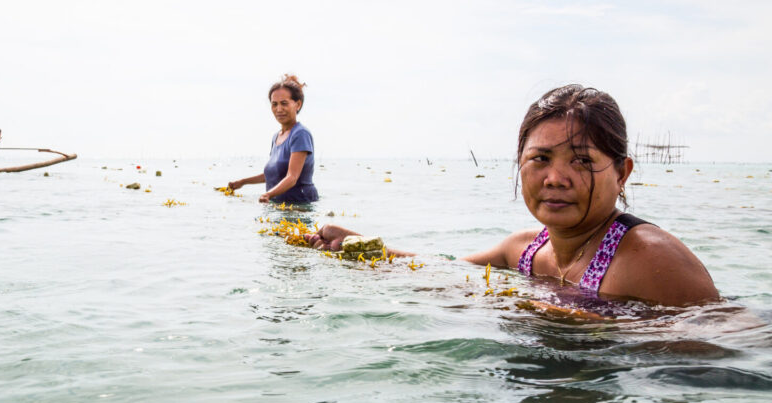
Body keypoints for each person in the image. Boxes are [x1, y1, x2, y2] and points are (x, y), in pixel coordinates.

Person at [307, 84, 719, 307]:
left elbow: (718, 348)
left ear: (623, 172)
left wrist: (553, 317)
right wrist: (362, 246)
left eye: (581, 160)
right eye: (540, 158)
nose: (555, 178)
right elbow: (443, 269)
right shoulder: (523, 249)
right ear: (519, 165)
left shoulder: (649, 258)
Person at [228, 74, 318, 203]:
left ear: (298, 104)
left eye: (284, 103)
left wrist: (268, 194)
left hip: (299, 206)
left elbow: (292, 177)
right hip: (279, 206)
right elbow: (273, 175)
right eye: (274, 104)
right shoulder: (276, 137)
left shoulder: (300, 134)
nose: (279, 109)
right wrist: (243, 182)